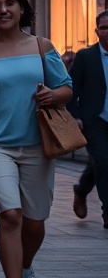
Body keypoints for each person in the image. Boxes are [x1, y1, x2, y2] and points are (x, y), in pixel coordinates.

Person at [0, 0, 72, 278]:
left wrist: (52, 94)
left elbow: (66, 89)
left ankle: (24, 267)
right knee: (10, 216)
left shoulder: (42, 46)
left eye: (10, 3)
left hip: (39, 145)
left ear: (22, 8)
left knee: (35, 223)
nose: (3, 9)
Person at [65, 23, 106, 226]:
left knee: (98, 163)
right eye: (105, 27)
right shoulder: (86, 57)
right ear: (97, 31)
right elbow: (72, 87)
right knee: (105, 163)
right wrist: (75, 115)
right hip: (94, 121)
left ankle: (81, 190)